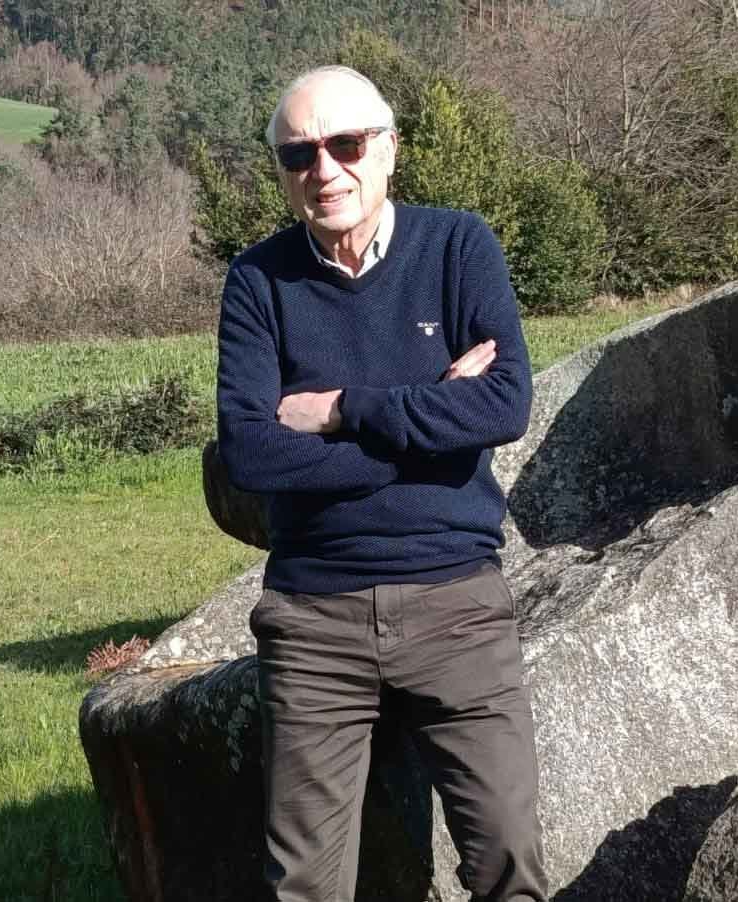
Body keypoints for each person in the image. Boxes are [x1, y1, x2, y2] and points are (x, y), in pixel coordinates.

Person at [215, 65, 547, 902]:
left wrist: (342, 410)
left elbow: (504, 405)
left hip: (457, 605)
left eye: (346, 145)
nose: (324, 169)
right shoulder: (257, 280)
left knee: (509, 865)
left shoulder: (459, 247)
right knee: (304, 887)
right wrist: (433, 422)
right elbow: (250, 455)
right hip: (314, 617)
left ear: (390, 149)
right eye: (299, 154)